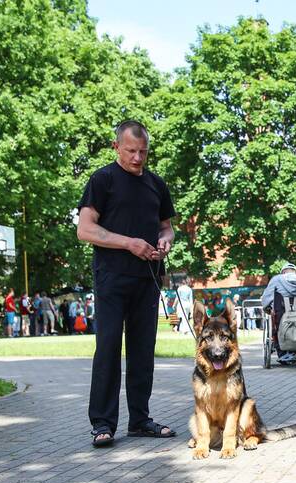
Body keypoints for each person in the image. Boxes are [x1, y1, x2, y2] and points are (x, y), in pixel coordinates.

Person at [77, 119, 177, 447]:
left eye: (143, 152)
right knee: (107, 348)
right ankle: (103, 424)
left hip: (147, 278)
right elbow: (86, 230)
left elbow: (166, 227)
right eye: (131, 151)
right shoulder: (102, 180)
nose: (137, 158)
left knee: (142, 351)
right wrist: (129, 243)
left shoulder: (156, 184)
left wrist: (165, 240)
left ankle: (140, 419)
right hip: (111, 278)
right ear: (116, 146)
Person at [260, 262, 296, 365]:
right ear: (295, 271)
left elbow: (267, 296)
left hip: (280, 315)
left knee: (276, 325)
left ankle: (283, 353)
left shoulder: (276, 279)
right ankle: (295, 352)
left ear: (283, 272)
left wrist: (267, 309)